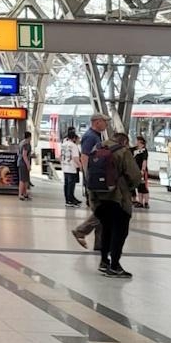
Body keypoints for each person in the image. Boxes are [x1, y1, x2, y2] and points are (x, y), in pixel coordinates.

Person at [89, 131, 141, 278]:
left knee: (106, 229)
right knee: (120, 232)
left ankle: (104, 261)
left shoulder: (97, 148)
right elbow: (135, 176)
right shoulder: (123, 151)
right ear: (124, 142)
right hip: (117, 199)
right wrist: (128, 188)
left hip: (98, 198)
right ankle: (115, 266)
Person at [72, 113, 110, 248]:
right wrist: (88, 177)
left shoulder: (97, 136)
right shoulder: (90, 137)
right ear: (97, 122)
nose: (107, 124)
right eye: (105, 121)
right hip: (94, 180)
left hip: (97, 178)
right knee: (103, 211)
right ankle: (80, 231)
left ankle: (100, 245)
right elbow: (85, 157)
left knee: (102, 213)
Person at [59, 128, 82, 206]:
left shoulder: (64, 144)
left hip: (65, 167)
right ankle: (70, 200)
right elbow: (75, 158)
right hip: (72, 168)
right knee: (71, 185)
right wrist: (80, 166)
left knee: (66, 184)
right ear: (74, 138)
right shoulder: (73, 146)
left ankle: (68, 199)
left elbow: (60, 156)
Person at [132, 136, 150, 209]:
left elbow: (144, 161)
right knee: (139, 186)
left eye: (138, 141)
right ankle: (140, 202)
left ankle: (146, 202)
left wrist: (143, 170)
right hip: (136, 170)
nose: (136, 143)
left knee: (144, 186)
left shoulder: (144, 151)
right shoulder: (135, 150)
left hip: (142, 171)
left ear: (141, 143)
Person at [17, 132, 34, 200]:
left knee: (26, 179)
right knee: (22, 179)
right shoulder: (26, 144)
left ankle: (25, 193)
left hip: (21, 162)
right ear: (29, 137)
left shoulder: (21, 142)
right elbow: (24, 155)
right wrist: (28, 165)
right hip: (23, 163)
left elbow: (18, 153)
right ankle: (20, 194)